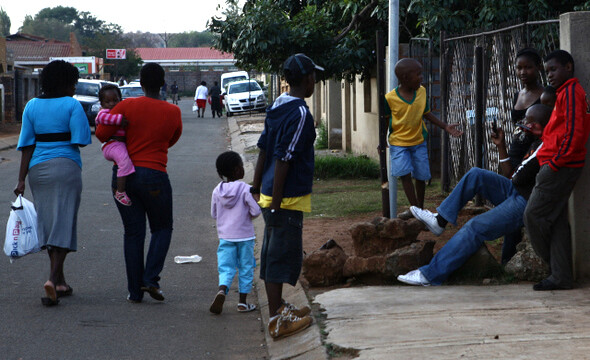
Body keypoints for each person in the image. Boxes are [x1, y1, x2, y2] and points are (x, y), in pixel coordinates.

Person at [398, 104, 552, 286]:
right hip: (516, 189)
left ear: (541, 125)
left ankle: (430, 275)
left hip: (526, 201)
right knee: (476, 174)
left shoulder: (545, 145)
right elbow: (512, 175)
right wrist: (501, 145)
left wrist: (517, 168)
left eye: (529, 121)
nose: (524, 124)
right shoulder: (534, 141)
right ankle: (440, 221)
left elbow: (516, 176)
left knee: (475, 227)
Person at [95, 63, 182, 303]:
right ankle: (150, 279)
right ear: (163, 83)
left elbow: (101, 134)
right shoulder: (173, 111)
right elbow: (172, 139)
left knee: (133, 233)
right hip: (155, 174)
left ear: (141, 83)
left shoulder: (126, 105)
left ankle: (135, 291)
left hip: (124, 177)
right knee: (162, 228)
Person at [251, 53, 320, 340]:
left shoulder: (277, 108)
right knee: (280, 258)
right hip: (285, 199)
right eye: (314, 76)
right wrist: (278, 206)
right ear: (307, 80)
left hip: (272, 195)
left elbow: (263, 149)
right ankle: (278, 320)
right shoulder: (300, 113)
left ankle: (279, 307)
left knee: (272, 254)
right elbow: (283, 158)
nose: (315, 80)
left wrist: (256, 187)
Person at [14, 60, 92, 306]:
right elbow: (80, 140)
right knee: (64, 222)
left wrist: (20, 179)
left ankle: (60, 282)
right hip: (66, 167)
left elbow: (26, 145)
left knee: (49, 223)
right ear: (68, 83)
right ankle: (51, 280)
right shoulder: (72, 104)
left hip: (38, 170)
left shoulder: (32, 106)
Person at [524, 50, 590, 291]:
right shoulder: (564, 93)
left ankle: (551, 266)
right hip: (557, 164)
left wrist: (554, 164)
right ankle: (561, 276)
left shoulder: (572, 92)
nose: (549, 75)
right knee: (558, 221)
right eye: (547, 71)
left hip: (560, 167)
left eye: (554, 69)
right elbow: (562, 131)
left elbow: (575, 134)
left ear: (569, 67)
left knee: (533, 216)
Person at [385, 58, 463, 220]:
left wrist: (445, 126)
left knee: (421, 176)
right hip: (399, 143)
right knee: (404, 174)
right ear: (405, 78)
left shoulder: (421, 92)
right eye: (418, 75)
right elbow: (384, 120)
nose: (421, 78)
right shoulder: (390, 98)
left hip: (418, 141)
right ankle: (415, 210)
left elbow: (426, 113)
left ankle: (419, 208)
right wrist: (381, 141)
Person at [498, 48, 544, 264]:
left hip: (532, 158)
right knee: (510, 202)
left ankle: (509, 258)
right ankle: (509, 258)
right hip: (514, 154)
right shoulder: (518, 95)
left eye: (528, 67)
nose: (523, 71)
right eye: (519, 67)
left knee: (517, 204)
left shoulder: (545, 96)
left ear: (538, 68)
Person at [209, 151, 261, 314]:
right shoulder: (246, 189)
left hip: (225, 236)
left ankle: (222, 290)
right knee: (246, 267)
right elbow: (256, 210)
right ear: (238, 170)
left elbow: (214, 214)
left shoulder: (217, 191)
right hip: (245, 236)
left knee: (225, 267)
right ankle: (242, 303)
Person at [95, 84, 134, 206]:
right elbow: (101, 118)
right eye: (107, 101)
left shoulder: (120, 111)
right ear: (102, 103)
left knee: (125, 162)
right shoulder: (104, 112)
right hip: (112, 145)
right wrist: (119, 120)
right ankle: (120, 191)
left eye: (115, 100)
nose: (112, 104)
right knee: (124, 162)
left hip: (118, 144)